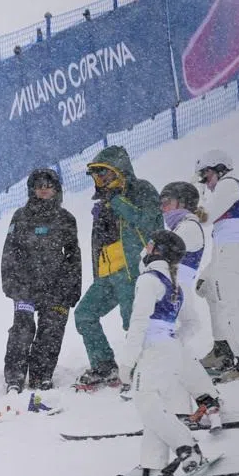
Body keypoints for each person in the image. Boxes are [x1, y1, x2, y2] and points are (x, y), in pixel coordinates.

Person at [114, 231, 210, 476]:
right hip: (169, 349)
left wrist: (127, 361)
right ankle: (152, 465)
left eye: (150, 244)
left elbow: (138, 322)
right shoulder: (176, 281)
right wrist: (171, 340)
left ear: (156, 250)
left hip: (154, 351)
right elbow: (192, 323)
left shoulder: (148, 280)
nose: (146, 248)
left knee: (147, 404)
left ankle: (188, 448)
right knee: (156, 407)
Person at [74, 146, 163, 390]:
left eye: (105, 174)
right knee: (85, 314)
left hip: (132, 271)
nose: (100, 180)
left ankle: (146, 369)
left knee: (132, 322)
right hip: (107, 275)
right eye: (97, 175)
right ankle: (104, 366)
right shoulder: (103, 202)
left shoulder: (140, 189)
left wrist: (118, 201)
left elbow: (147, 221)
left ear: (119, 170)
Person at [0, 168, 81, 393]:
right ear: (32, 190)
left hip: (56, 286)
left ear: (56, 189)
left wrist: (73, 287)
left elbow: (73, 255)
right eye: (39, 186)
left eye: (48, 185)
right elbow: (10, 251)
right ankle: (15, 377)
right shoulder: (21, 216)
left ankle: (41, 375)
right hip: (25, 286)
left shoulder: (66, 219)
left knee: (52, 330)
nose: (44, 189)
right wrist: (10, 282)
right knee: (22, 329)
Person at [193, 150, 239, 377]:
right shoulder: (225, 189)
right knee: (207, 288)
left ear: (220, 169)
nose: (205, 182)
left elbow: (205, 216)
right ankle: (222, 348)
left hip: (235, 254)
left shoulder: (229, 184)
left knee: (230, 305)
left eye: (206, 176)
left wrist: (189, 207)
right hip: (228, 253)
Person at [159, 182, 222, 424]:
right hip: (173, 291)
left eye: (168, 201)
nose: (163, 207)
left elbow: (160, 256)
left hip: (175, 292)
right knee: (172, 349)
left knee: (169, 347)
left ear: (183, 203)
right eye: (161, 202)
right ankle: (206, 399)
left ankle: (195, 404)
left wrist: (151, 252)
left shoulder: (188, 226)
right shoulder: (182, 227)